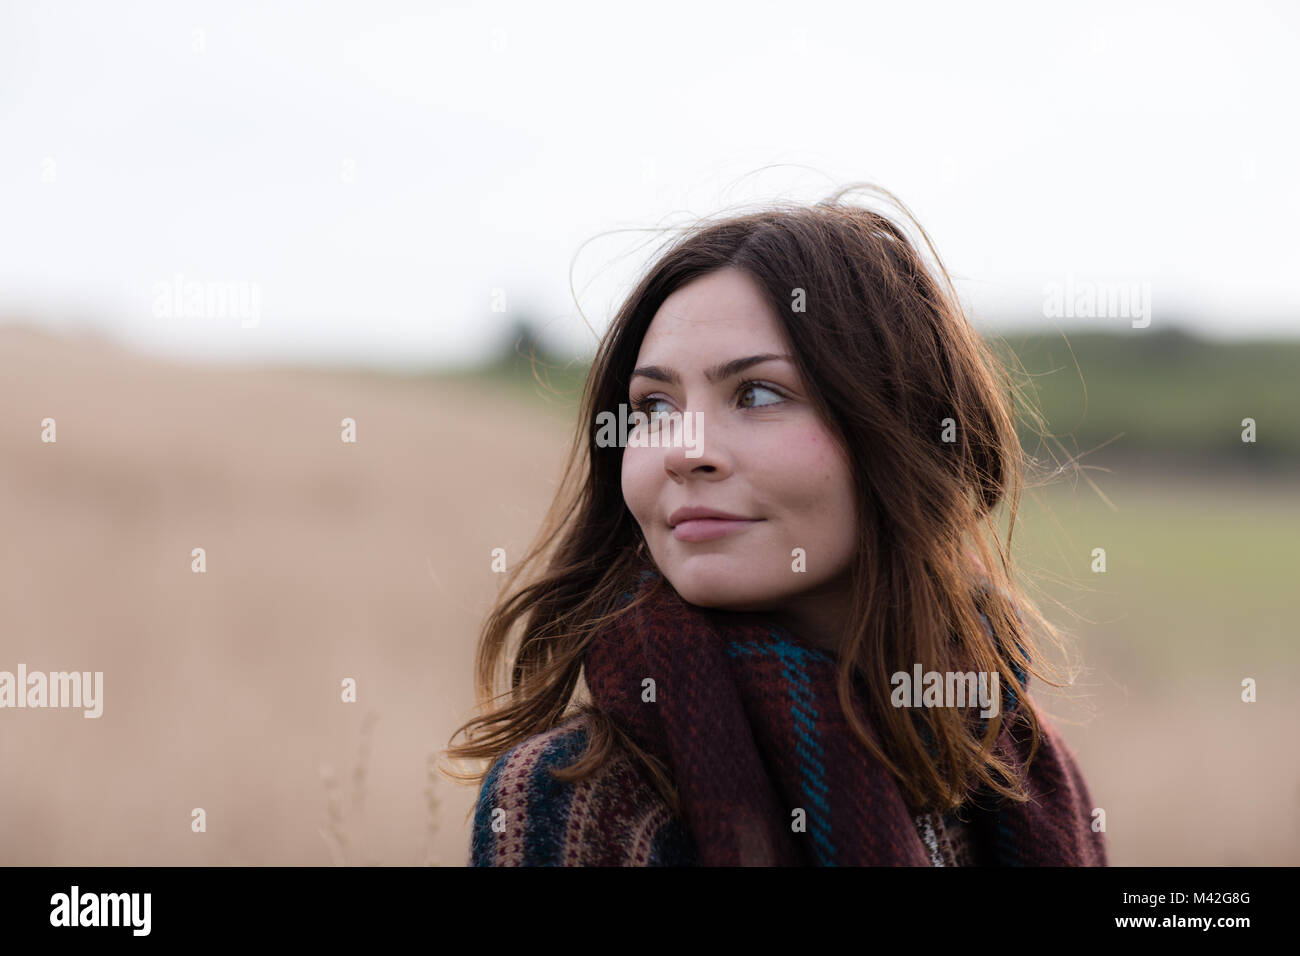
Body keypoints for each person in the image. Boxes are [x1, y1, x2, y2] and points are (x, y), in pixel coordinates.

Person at [445, 184, 1107, 866]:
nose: (684, 448)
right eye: (654, 406)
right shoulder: (581, 797)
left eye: (757, 394)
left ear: (907, 436)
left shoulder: (1020, 768)